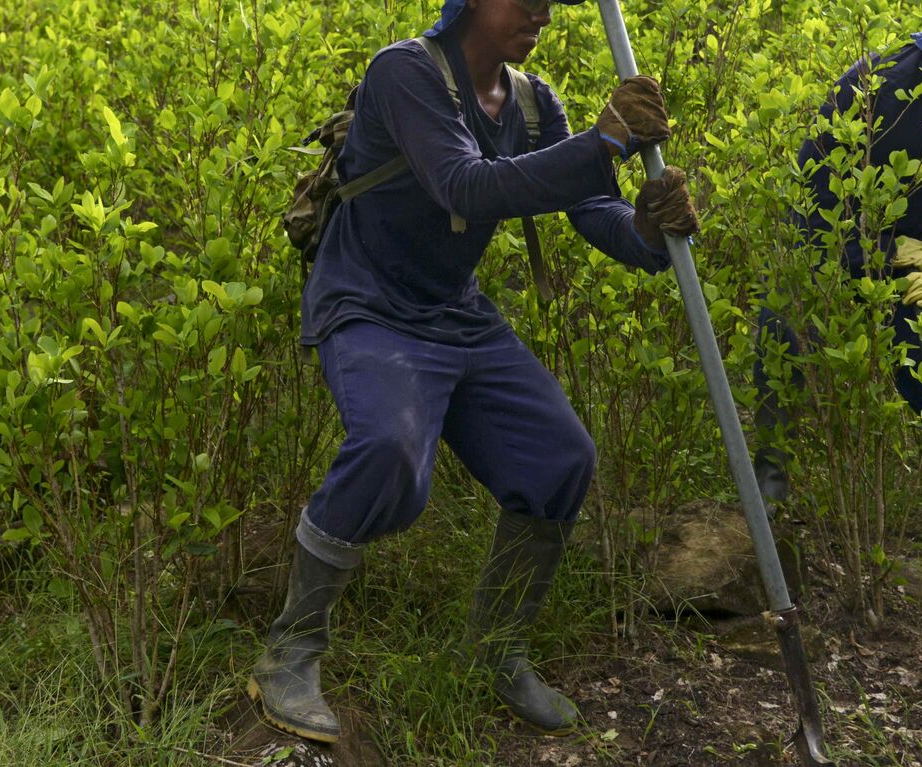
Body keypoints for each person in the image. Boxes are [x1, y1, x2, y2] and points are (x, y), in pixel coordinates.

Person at [250, 0, 699, 744]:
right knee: (390, 453)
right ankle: (291, 648)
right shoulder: (404, 73)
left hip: (454, 311)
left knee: (560, 458)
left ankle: (497, 651)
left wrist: (650, 228)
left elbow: (594, 211)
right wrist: (605, 141)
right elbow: (465, 185)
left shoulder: (532, 100)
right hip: (368, 303)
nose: (541, 11)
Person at [752, 0, 922, 570]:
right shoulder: (874, 85)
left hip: (907, 247)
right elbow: (815, 195)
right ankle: (767, 489)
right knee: (783, 338)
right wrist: (874, 249)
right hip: (828, 237)